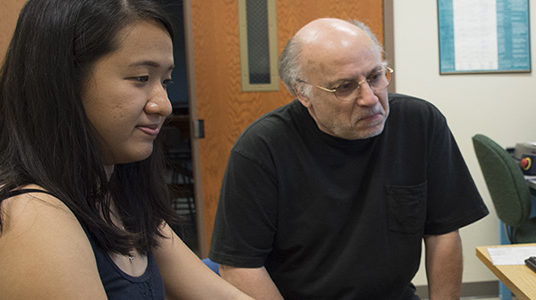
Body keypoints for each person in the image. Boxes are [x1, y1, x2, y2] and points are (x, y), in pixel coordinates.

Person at [0, 0, 252, 299]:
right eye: (141, 78)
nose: (163, 105)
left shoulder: (118, 195)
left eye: (165, 81)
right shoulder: (30, 216)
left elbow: (220, 295)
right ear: (63, 83)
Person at [208, 18, 489, 300]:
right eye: (345, 87)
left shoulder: (421, 124)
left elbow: (443, 232)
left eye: (375, 76)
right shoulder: (261, 150)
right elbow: (239, 265)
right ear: (302, 93)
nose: (370, 98)